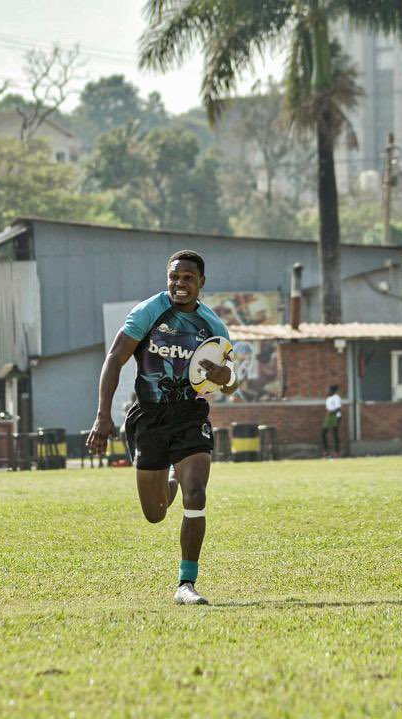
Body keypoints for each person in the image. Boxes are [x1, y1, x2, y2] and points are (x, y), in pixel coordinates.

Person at [87, 250, 238, 606]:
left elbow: (230, 383)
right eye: (174, 277)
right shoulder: (148, 312)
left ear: (201, 282)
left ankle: (186, 583)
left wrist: (224, 377)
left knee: (196, 494)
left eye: (188, 278)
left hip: (190, 416)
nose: (179, 283)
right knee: (155, 513)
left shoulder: (213, 326)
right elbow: (115, 358)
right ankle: (172, 477)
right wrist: (102, 415)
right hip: (150, 417)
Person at [321, 385, 343, 458]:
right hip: (329, 417)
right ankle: (326, 452)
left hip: (335, 416)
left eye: (328, 390)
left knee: (334, 434)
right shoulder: (328, 398)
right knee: (323, 433)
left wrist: (332, 414)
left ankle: (336, 452)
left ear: (332, 391)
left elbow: (338, 408)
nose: (327, 391)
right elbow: (328, 409)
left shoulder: (336, 398)